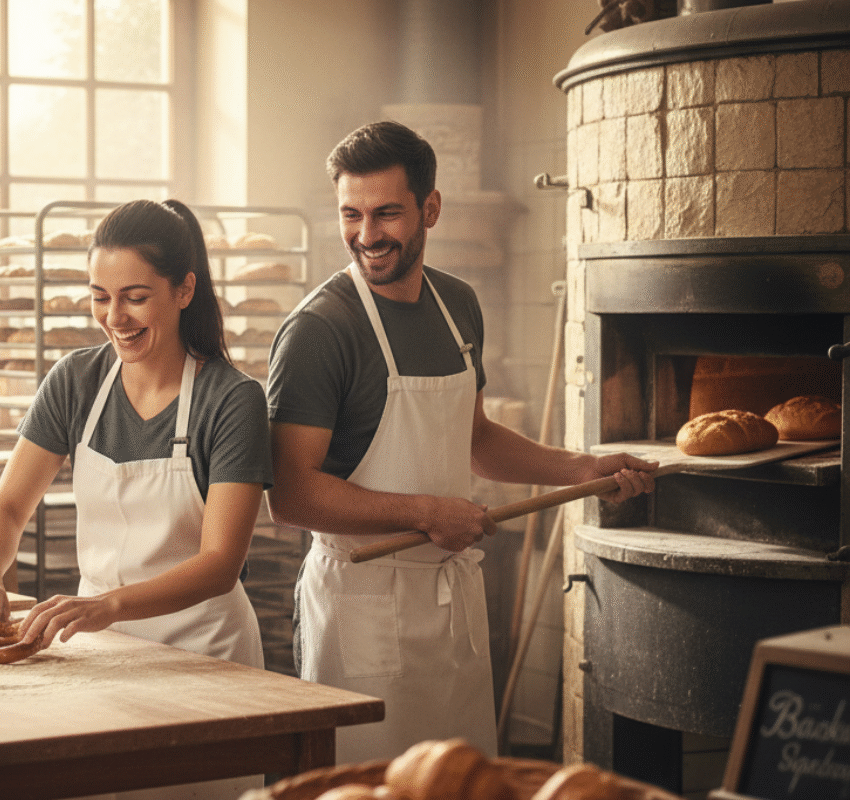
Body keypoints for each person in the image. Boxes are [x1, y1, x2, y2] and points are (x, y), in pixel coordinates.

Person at [266, 120, 657, 764]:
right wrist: (426, 512)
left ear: (432, 208)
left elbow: (473, 438)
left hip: (452, 603)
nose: (367, 235)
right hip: (360, 608)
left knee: (463, 778)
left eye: (387, 214)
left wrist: (584, 467)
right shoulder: (319, 330)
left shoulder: (458, 305)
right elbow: (291, 497)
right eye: (351, 214)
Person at [0, 198, 271, 797]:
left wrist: (106, 606)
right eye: (100, 296)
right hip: (101, 656)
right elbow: (8, 508)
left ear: (184, 289)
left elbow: (220, 564)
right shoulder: (75, 382)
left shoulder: (233, 400)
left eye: (135, 296)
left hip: (207, 664)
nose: (114, 316)